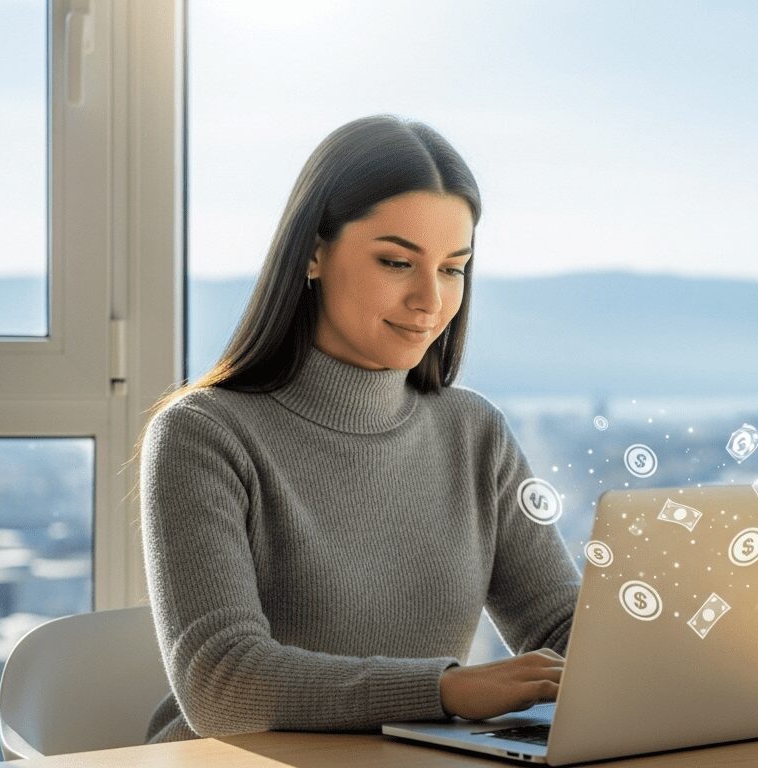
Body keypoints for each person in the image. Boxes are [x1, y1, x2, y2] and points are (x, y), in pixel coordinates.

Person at [134, 115, 581, 744]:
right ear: (314, 253)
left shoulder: (474, 433)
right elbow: (221, 683)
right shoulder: (202, 435)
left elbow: (561, 626)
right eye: (398, 261)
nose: (431, 301)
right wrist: (445, 690)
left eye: (453, 268)